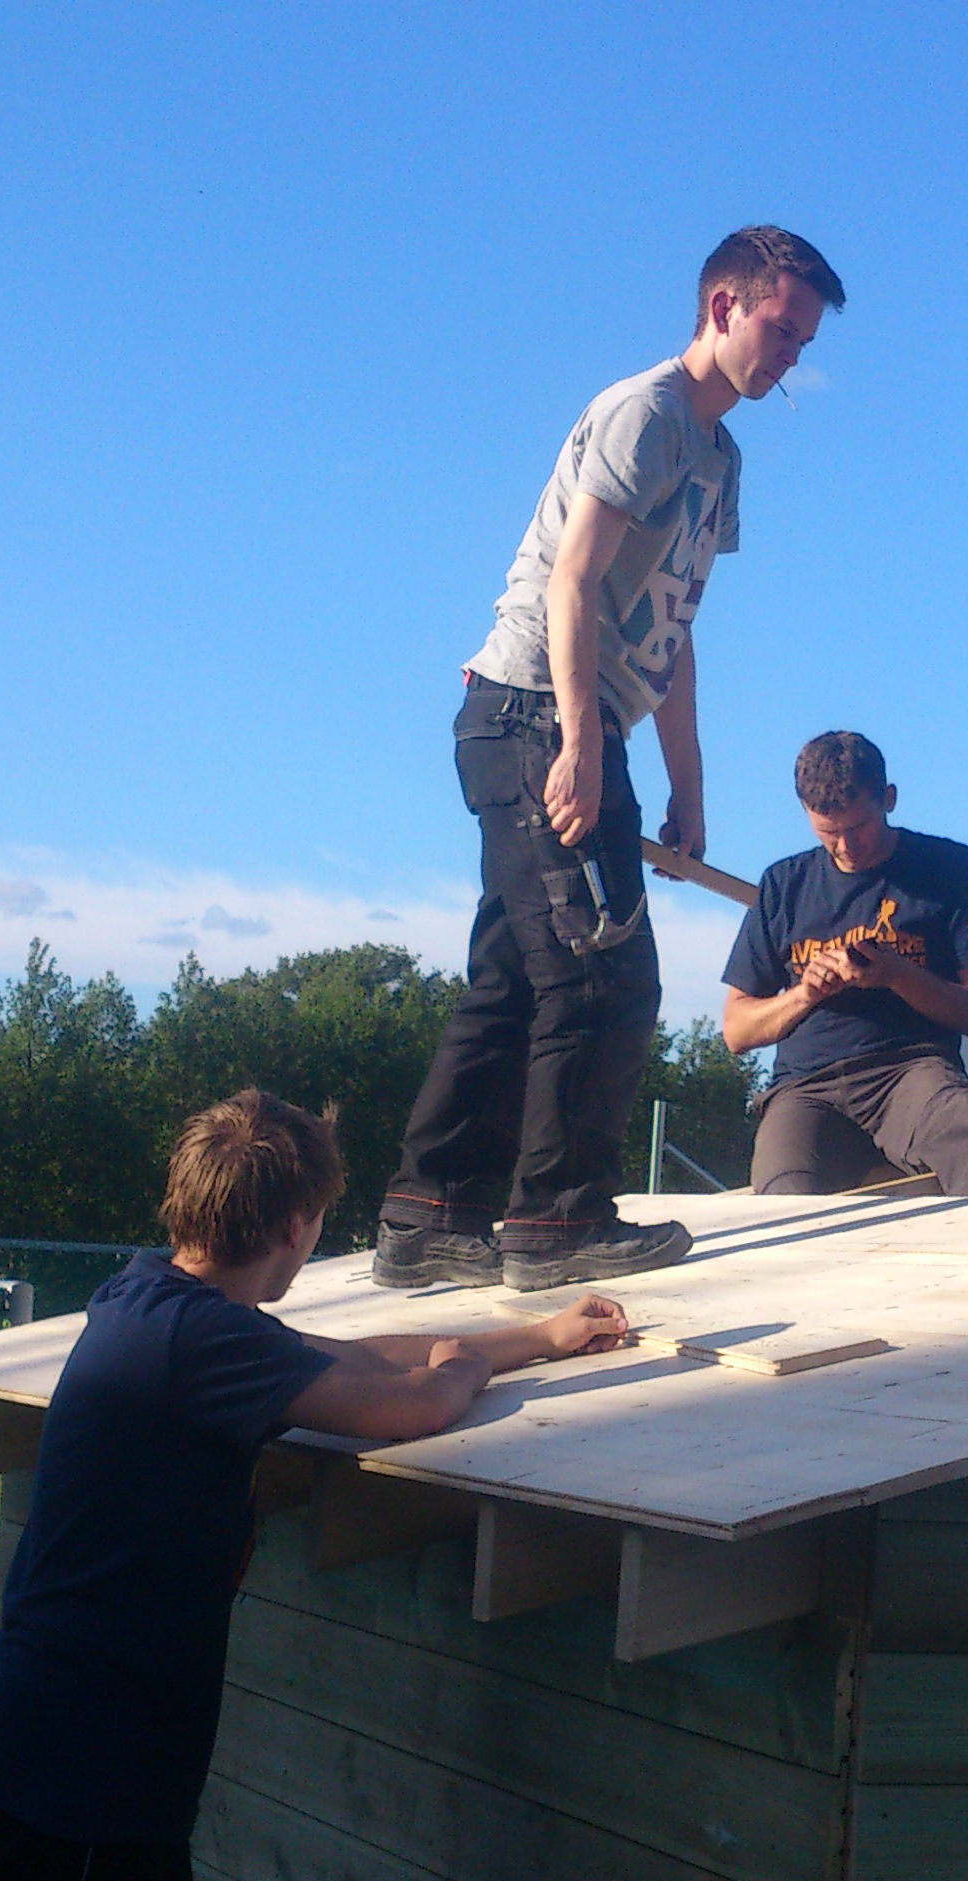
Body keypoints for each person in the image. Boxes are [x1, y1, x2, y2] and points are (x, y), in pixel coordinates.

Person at [0, 1092, 629, 1881]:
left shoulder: (156, 1304)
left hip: (71, 1798)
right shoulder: (198, 1341)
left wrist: (538, 1336)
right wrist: (463, 1367)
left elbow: (354, 1355)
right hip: (68, 1807)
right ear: (299, 1224)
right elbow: (406, 1401)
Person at [372, 225, 847, 1293]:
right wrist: (581, 744)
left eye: (804, 343)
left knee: (513, 978)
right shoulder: (648, 414)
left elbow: (674, 627)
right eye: (780, 329)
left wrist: (688, 784)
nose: (788, 357)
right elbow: (573, 581)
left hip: (576, 722)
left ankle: (425, 1216)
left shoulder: (720, 461)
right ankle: (556, 1224)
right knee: (603, 974)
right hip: (534, 712)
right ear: (722, 306)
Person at [721, 730, 968, 1196]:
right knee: (783, 1202)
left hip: (912, 1073)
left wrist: (897, 975)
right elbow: (736, 1030)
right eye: (828, 833)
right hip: (805, 1089)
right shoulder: (782, 885)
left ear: (889, 798)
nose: (845, 847)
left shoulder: (951, 869)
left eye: (858, 828)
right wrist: (804, 994)